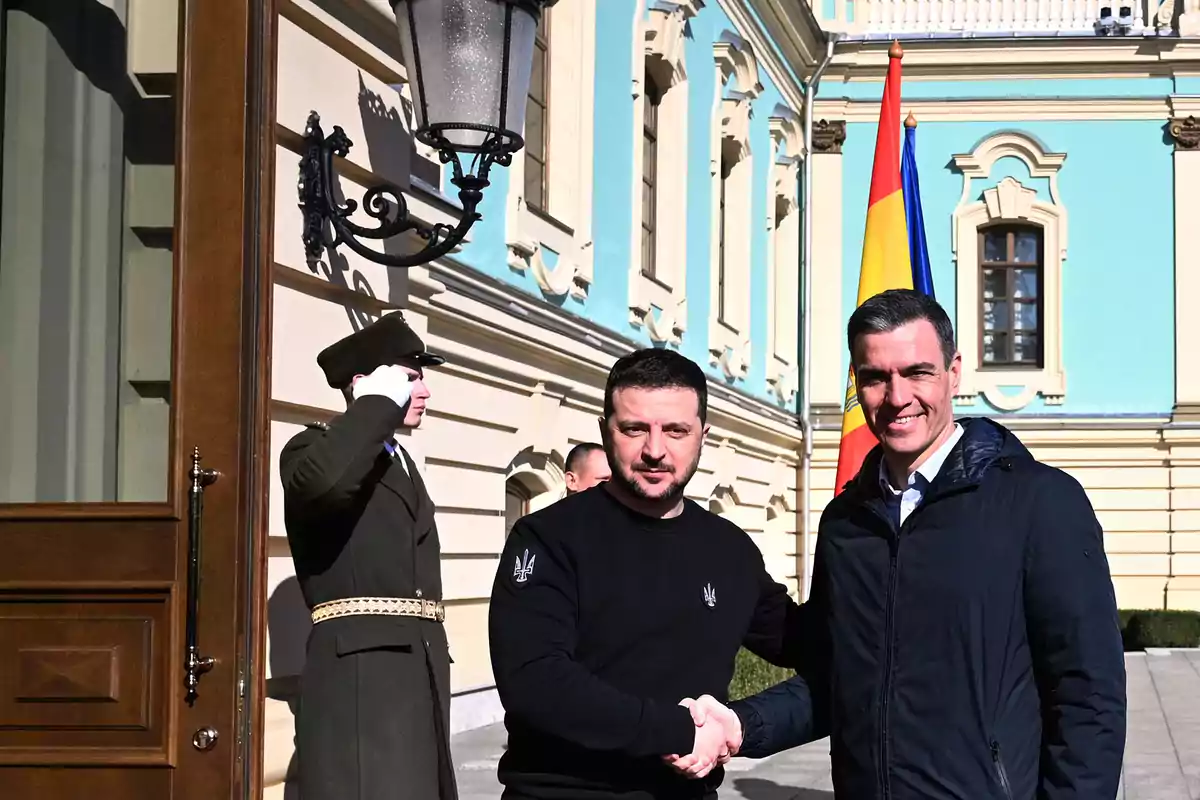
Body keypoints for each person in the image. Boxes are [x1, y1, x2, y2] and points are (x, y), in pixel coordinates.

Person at [717, 289, 1127, 799]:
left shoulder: (1039, 502)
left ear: (954, 372)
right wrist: (739, 726)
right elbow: (837, 682)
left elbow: (1089, 697)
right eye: (874, 377)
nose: (896, 397)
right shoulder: (845, 523)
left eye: (917, 373)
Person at [487, 348, 813, 800]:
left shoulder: (727, 548)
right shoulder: (548, 537)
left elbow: (808, 642)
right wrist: (676, 731)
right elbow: (536, 682)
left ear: (703, 434)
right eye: (634, 428)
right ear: (605, 431)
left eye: (676, 430)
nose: (655, 451)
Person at [278, 311, 457, 800]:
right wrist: (376, 403)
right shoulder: (312, 447)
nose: (423, 391)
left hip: (414, 667)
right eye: (409, 378)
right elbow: (325, 486)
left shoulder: (397, 460)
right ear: (365, 384)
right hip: (362, 675)